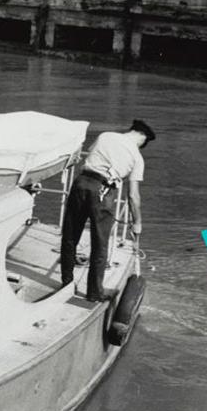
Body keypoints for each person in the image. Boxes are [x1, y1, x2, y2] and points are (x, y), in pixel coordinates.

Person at [59, 119, 156, 301]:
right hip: (103, 192)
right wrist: (137, 223)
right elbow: (133, 195)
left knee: (70, 236)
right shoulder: (137, 157)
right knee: (100, 244)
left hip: (81, 183)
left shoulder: (105, 136)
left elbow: (90, 157)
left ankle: (66, 283)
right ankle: (95, 293)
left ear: (132, 129)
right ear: (143, 138)